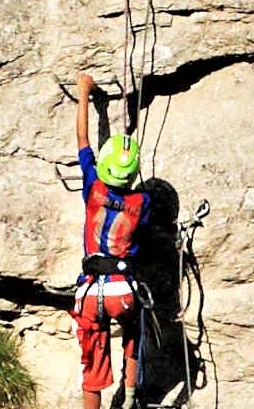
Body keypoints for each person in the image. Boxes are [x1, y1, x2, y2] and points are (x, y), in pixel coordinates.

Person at [69, 73, 152, 409]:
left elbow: (82, 139)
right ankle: (130, 396)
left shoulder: (93, 188)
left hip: (91, 289)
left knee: (93, 365)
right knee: (134, 333)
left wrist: (84, 93)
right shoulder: (142, 202)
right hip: (124, 289)